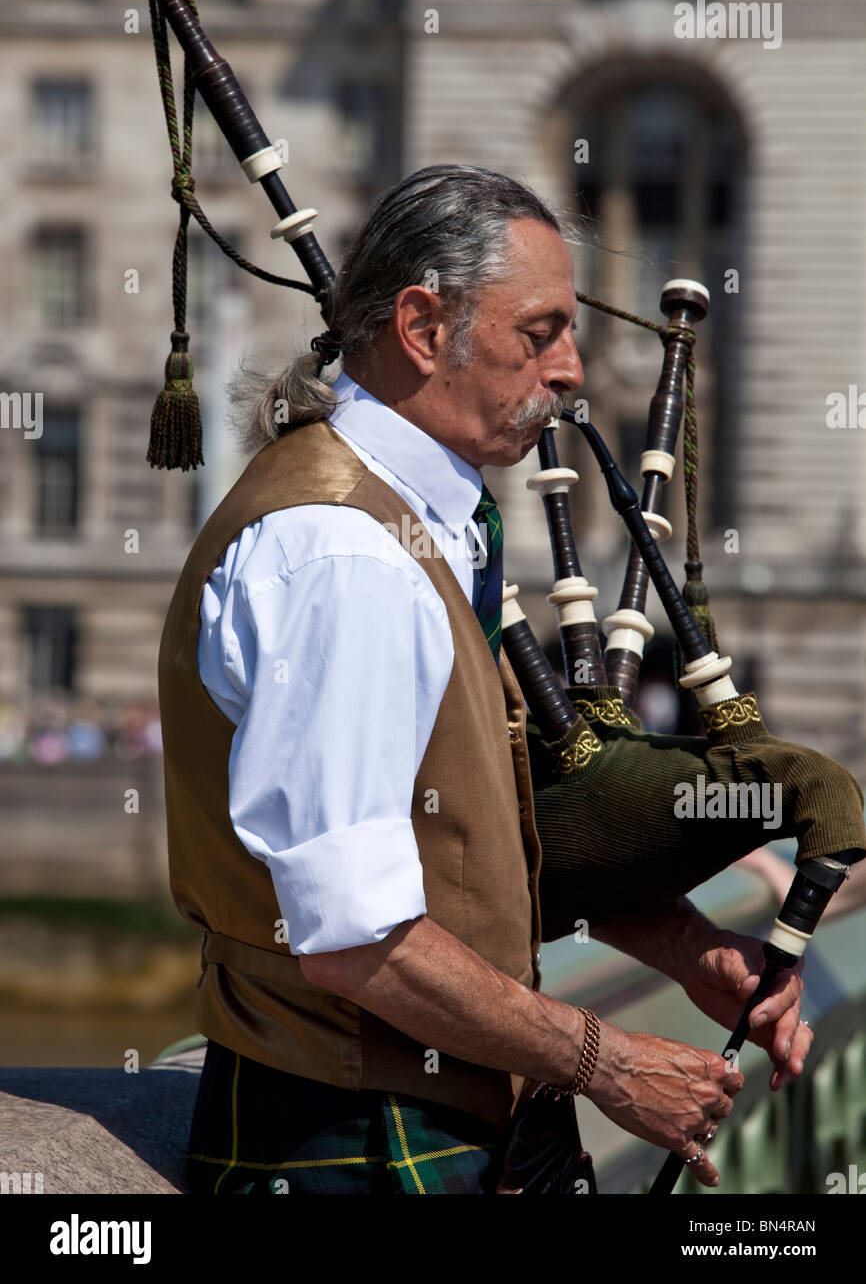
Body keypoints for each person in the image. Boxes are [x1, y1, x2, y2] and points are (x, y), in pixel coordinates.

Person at [159, 164, 810, 1195]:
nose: (571, 370)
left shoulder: (424, 518)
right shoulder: (345, 557)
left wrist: (680, 944)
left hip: (429, 1111)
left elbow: (473, 841)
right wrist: (609, 1061)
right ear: (422, 327)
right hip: (349, 1141)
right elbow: (353, 936)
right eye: (539, 331)